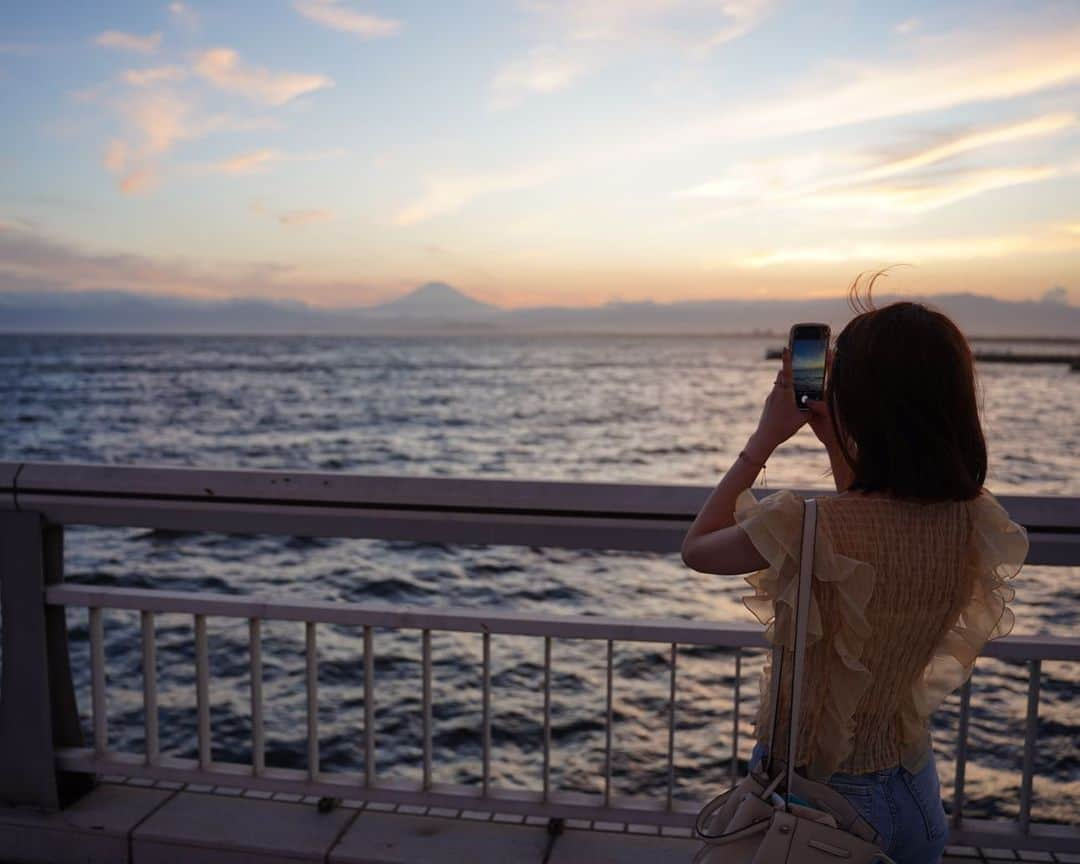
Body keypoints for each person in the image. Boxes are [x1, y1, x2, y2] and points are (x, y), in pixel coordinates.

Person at [680, 282, 1028, 864]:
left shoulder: (805, 521)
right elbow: (871, 526)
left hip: (822, 808)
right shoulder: (971, 517)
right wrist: (836, 442)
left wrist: (766, 435)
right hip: (912, 792)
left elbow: (698, 548)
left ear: (860, 401)